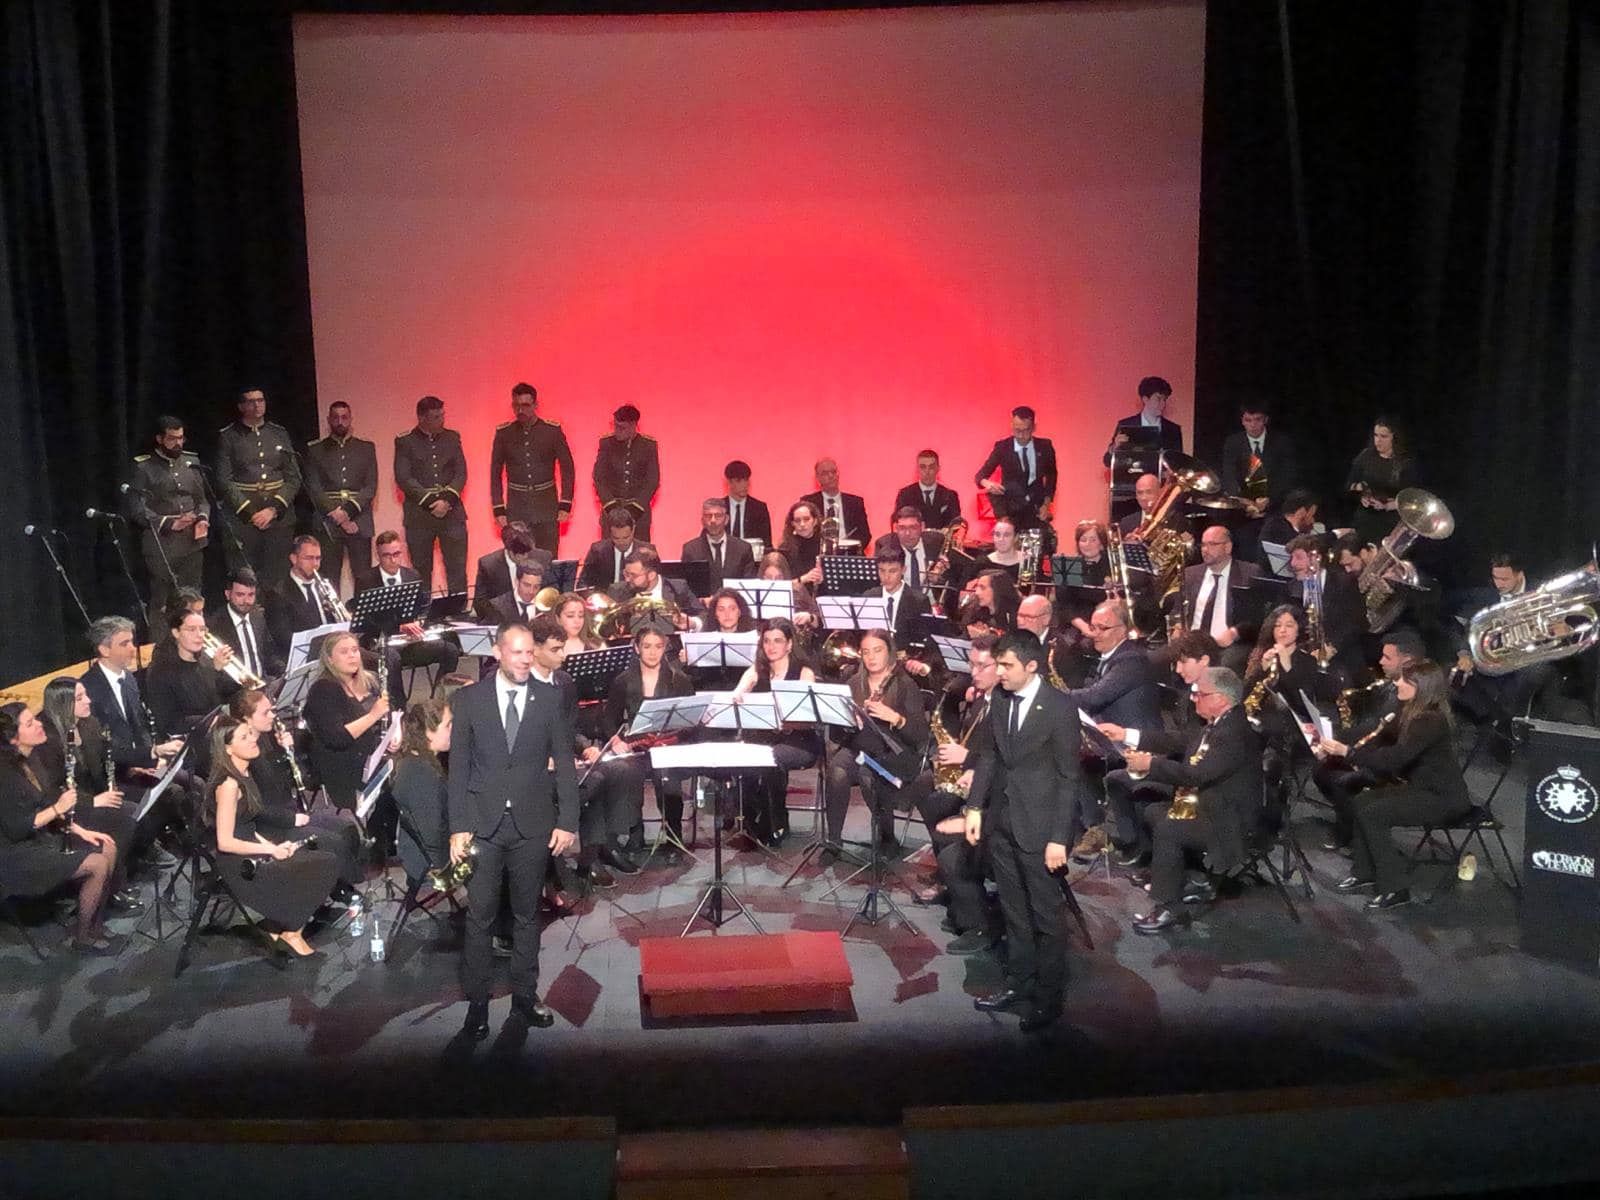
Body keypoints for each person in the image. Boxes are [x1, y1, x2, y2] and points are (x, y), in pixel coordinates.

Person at [447, 615, 580, 1038]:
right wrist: (458, 826)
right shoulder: (470, 700)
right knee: (480, 919)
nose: (525, 660)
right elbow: (458, 768)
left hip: (532, 824)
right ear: (498, 653)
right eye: (517, 653)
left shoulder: (550, 698)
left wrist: (568, 820)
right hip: (482, 825)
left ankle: (525, 996)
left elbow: (564, 763)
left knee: (527, 916)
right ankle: (478, 1005)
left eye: (528, 653)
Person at [966, 631, 1081, 1033]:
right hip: (1003, 823)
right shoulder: (1000, 698)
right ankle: (1019, 982)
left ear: (1032, 666)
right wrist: (975, 807)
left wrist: (1059, 838)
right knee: (1013, 911)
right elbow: (989, 756)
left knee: (1046, 918)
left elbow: (1068, 778)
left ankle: (1048, 999)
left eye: (1006, 665)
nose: (999, 672)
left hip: (1042, 830)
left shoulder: (1060, 709)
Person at [1110, 667, 1262, 934]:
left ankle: (1169, 907)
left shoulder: (1233, 733)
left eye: (1200, 694)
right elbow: (1176, 740)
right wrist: (1126, 734)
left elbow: (1197, 774)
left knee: (1170, 828)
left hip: (1229, 820)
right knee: (1155, 811)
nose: (1194, 698)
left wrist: (1150, 764)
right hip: (1211, 804)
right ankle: (1183, 874)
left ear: (1220, 699)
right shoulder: (1218, 722)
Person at [1316, 661, 1470, 911]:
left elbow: (1394, 759)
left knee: (1375, 814)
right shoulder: (1410, 711)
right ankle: (1365, 871)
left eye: (1404, 680)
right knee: (1361, 801)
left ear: (1421, 687)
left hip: (1443, 798)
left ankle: (1396, 887)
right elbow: (1378, 739)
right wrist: (1340, 744)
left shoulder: (1429, 720)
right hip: (1422, 789)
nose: (1397, 683)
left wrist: (1349, 753)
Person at [203, 719, 338, 958]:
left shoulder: (244, 773)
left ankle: (280, 926)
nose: (252, 739)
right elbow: (225, 841)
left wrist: (272, 846)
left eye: (250, 733)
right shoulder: (229, 785)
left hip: (254, 850)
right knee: (324, 864)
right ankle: (292, 931)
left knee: (322, 858)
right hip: (240, 865)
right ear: (228, 748)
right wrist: (270, 852)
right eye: (244, 737)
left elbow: (247, 826)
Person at [0, 705, 121, 953]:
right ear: (13, 738)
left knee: (107, 846)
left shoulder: (31, 759)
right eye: (30, 723)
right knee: (97, 864)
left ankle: (94, 925)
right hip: (15, 853)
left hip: (40, 837)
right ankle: (83, 938)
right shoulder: (4, 775)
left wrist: (80, 831)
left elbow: (46, 804)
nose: (39, 724)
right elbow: (17, 828)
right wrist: (58, 808)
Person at [909, 635, 999, 953]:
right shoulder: (983, 698)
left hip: (996, 799)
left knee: (948, 843)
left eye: (982, 666)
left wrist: (968, 760)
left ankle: (979, 925)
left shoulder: (1004, 706)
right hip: (976, 784)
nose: (973, 673)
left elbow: (1001, 758)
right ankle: (958, 893)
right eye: (971, 664)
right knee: (928, 798)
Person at [1054, 601, 1163, 861]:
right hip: (1108, 736)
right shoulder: (1109, 657)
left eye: (1103, 628)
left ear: (1123, 630)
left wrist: (1053, 695)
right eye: (1093, 627)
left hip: (1135, 742)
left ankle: (1107, 831)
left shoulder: (1131, 660)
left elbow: (1096, 696)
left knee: (1069, 757)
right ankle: (1094, 826)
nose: (1095, 634)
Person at [229, 688, 363, 896]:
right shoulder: (243, 754)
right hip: (272, 825)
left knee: (348, 829)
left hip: (290, 811)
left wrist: (287, 751)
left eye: (272, 710)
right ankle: (342, 891)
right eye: (265, 713)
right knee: (334, 842)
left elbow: (296, 780)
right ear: (246, 719)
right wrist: (291, 819)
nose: (273, 716)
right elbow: (254, 806)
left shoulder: (267, 737)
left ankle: (337, 885)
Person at [34, 679, 142, 914]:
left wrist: (145, 759)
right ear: (63, 704)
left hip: (93, 793)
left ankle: (114, 880)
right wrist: (93, 801)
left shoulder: (88, 724)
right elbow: (50, 790)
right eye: (80, 698)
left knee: (135, 807)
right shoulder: (47, 739)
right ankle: (108, 888)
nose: (89, 701)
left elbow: (109, 756)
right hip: (67, 808)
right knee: (125, 817)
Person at [1313, 629, 1422, 851]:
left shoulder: (1415, 697)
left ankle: (1354, 833)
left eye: (1388, 657)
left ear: (1407, 661)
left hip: (1396, 766)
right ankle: (1353, 823)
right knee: (1322, 770)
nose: (1380, 662)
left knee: (1342, 780)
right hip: (1374, 752)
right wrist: (1334, 740)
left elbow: (1392, 743)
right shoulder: (1391, 687)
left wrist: (1349, 752)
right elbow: (1372, 726)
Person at [592, 625, 694, 861]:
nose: (652, 652)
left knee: (666, 777)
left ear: (664, 649)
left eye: (658, 647)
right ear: (637, 648)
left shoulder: (679, 680)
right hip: (637, 746)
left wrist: (674, 739)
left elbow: (690, 721)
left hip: (668, 746)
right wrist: (615, 740)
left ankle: (674, 837)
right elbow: (609, 719)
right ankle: (634, 832)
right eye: (647, 646)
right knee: (626, 773)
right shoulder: (623, 680)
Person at [822, 629, 928, 852]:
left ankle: (887, 838)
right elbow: (837, 735)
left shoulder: (905, 685)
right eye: (866, 652)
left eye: (877, 650)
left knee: (868, 775)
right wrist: (848, 722)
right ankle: (833, 841)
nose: (871, 657)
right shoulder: (853, 683)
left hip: (894, 753)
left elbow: (920, 736)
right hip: (859, 748)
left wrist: (896, 718)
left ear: (889, 652)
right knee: (837, 771)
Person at [734, 618, 818, 846]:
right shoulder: (756, 670)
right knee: (748, 758)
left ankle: (774, 820)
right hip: (764, 739)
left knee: (771, 758)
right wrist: (739, 696)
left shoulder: (804, 673)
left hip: (799, 740)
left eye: (777, 641)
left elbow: (808, 718)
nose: (771, 646)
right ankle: (752, 823)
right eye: (767, 641)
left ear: (789, 644)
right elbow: (738, 693)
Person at [126, 414, 209, 630]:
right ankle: (160, 646)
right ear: (160, 439)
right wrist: (169, 523)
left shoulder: (192, 462)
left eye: (181, 438)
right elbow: (137, 509)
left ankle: (194, 638)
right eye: (172, 439)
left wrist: (202, 518)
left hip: (192, 543)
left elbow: (202, 500)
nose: (178, 443)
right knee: (163, 603)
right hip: (162, 545)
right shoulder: (143, 467)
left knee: (193, 599)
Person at [215, 387, 300, 590]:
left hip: (278, 519)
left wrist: (273, 509)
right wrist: (251, 513)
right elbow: (224, 479)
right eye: (251, 401)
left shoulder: (279, 433)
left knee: (277, 580)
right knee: (245, 579)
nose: (257, 405)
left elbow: (294, 477)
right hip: (243, 520)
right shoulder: (229, 436)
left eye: (261, 400)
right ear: (241, 406)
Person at [302, 631, 390, 812]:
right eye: (344, 652)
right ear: (330, 659)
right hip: (346, 768)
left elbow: (392, 710)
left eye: (355, 650)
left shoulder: (370, 680)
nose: (352, 656)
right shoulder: (323, 690)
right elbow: (337, 738)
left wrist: (395, 735)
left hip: (374, 756)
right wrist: (372, 716)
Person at [394, 394, 468, 596]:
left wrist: (447, 500)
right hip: (420, 515)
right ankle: (424, 612)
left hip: (452, 512)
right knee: (421, 571)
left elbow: (461, 473)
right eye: (436, 417)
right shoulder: (405, 441)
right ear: (421, 418)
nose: (441, 420)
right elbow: (404, 478)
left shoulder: (452, 438)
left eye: (442, 415)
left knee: (457, 569)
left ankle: (457, 609)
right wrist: (431, 502)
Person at [304, 401, 379, 594]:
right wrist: (337, 515)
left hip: (359, 519)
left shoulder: (366, 448)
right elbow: (314, 487)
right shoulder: (315, 449)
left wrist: (348, 512)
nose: (340, 422)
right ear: (328, 420)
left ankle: (363, 614)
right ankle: (333, 614)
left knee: (363, 578)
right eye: (335, 417)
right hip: (327, 521)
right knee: (329, 579)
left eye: (344, 417)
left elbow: (370, 487)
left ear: (351, 419)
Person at [490, 382, 575, 553]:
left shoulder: (551, 431)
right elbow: (495, 472)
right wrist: (498, 508)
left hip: (547, 506)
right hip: (517, 506)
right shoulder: (504, 433)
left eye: (526, 405)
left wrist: (565, 503)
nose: (520, 410)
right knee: (518, 557)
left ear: (536, 405)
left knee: (548, 557)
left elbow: (567, 468)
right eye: (516, 406)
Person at [370, 531, 462, 681]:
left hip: (411, 642)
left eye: (397, 554)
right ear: (377, 555)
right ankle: (397, 697)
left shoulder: (412, 575)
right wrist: (400, 627)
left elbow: (423, 607)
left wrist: (420, 621)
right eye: (387, 555)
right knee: (391, 659)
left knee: (450, 650)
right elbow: (368, 621)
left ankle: (441, 691)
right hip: (384, 643)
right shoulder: (366, 580)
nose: (393, 560)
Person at [1177, 526, 1263, 675]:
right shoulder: (1190, 574)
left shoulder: (1249, 573)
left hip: (1228, 644)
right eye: (1203, 545)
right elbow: (1178, 609)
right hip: (1192, 642)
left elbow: (1257, 615)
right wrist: (1177, 626)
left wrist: (1235, 632)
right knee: (1157, 659)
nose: (1205, 550)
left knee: (1224, 666)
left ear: (1228, 547)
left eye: (1212, 544)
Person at [391, 697, 453, 888]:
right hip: (430, 863)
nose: (453, 729)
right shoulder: (422, 775)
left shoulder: (413, 759)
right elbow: (434, 835)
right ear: (429, 732)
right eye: (448, 725)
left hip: (423, 849)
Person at [145, 608, 229, 737]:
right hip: (186, 738)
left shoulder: (206, 660)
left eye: (202, 629)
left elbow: (217, 700)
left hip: (215, 732)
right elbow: (169, 721)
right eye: (191, 629)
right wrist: (210, 721)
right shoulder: (160, 671)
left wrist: (217, 670)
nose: (199, 635)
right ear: (176, 632)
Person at [1287, 533, 1365, 670]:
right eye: (1292, 558)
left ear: (1316, 558)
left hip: (1343, 658)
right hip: (1307, 658)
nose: (1293, 563)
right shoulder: (1292, 587)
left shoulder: (1343, 583)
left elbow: (1357, 623)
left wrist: (1332, 648)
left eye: (1298, 557)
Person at [976, 406, 1058, 534]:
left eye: (1026, 430)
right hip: (1010, 510)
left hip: (1036, 509)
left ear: (1034, 427)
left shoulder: (1045, 446)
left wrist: (1047, 504)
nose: (1020, 435)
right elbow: (980, 475)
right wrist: (988, 483)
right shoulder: (1003, 447)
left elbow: (1051, 476)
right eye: (1017, 430)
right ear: (1012, 425)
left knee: (1041, 541)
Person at [1345, 416, 1417, 548]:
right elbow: (1349, 484)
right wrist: (1361, 495)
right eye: (1376, 435)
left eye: (1383, 436)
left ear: (1394, 437)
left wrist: (1387, 506)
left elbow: (1410, 501)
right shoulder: (1366, 456)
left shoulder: (1404, 464)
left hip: (1389, 523)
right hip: (1364, 519)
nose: (1378, 441)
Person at [1220, 400, 1300, 517]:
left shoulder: (1281, 442)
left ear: (1265, 420)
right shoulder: (1233, 442)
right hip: (1242, 504)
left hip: (1275, 503)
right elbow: (1228, 473)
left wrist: (1270, 499)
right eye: (1248, 420)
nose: (1253, 425)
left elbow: (1287, 475)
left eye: (1257, 420)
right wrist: (1240, 499)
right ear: (1242, 421)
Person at [593, 404, 660, 543]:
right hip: (612, 510)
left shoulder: (648, 446)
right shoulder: (607, 444)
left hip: (639, 513)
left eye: (622, 428)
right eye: (615, 426)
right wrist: (610, 506)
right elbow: (599, 477)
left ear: (634, 425)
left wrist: (637, 507)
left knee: (640, 552)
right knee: (608, 552)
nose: (617, 431)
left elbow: (652, 480)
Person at [207, 568, 281, 682]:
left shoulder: (257, 617)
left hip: (264, 682)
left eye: (251, 595)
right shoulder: (215, 625)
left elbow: (269, 654)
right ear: (228, 594)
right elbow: (214, 673)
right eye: (240, 595)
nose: (246, 601)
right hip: (235, 689)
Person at [609, 548, 704, 631]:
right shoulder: (617, 591)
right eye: (626, 574)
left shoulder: (678, 588)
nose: (627, 579)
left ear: (651, 575)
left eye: (633, 575)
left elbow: (703, 615)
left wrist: (692, 623)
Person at [473, 520, 554, 616]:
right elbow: (480, 603)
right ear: (509, 550)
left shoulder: (543, 557)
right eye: (521, 554)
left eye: (527, 552)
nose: (525, 556)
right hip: (503, 619)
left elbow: (551, 593)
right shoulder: (489, 565)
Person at [681, 497, 757, 594]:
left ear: (726, 519)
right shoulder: (691, 550)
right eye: (708, 516)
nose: (713, 520)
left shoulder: (743, 549)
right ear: (702, 521)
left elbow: (749, 585)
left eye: (718, 516)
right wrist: (702, 599)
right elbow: (685, 588)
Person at [872, 506, 950, 597]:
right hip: (900, 600)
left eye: (913, 527)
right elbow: (878, 581)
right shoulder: (884, 545)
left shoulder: (937, 542)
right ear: (896, 528)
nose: (907, 533)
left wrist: (939, 578)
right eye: (902, 528)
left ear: (922, 526)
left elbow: (952, 576)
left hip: (931, 601)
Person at [1104, 376, 1185, 461]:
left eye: (1164, 399)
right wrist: (1114, 448)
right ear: (1145, 399)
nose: (1163, 404)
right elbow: (1107, 461)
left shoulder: (1173, 430)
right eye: (1158, 399)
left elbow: (1178, 462)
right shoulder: (1126, 425)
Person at [578, 506, 652, 591]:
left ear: (633, 530)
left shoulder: (647, 551)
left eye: (626, 537)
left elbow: (656, 583)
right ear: (610, 533)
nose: (621, 542)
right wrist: (597, 596)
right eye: (616, 538)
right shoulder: (598, 551)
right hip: (606, 596)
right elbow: (583, 584)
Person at [865, 546, 930, 641]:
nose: (886, 577)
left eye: (892, 571)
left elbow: (924, 639)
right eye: (882, 570)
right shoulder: (869, 597)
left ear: (903, 570)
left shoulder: (919, 601)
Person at [802, 458, 871, 547]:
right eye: (825, 473)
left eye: (833, 472)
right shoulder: (808, 503)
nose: (831, 476)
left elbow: (865, 535)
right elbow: (804, 534)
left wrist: (849, 548)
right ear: (817, 478)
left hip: (849, 551)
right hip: (818, 552)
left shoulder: (855, 503)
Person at [757, 552, 822, 639]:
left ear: (785, 576)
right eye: (769, 577)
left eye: (778, 577)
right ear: (762, 576)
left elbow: (819, 621)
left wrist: (809, 617)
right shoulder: (755, 594)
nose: (773, 582)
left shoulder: (797, 590)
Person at [894, 449, 962, 530]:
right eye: (923, 467)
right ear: (917, 469)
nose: (927, 471)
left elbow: (956, 524)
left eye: (931, 467)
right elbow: (898, 521)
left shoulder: (950, 496)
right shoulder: (905, 495)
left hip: (942, 538)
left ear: (938, 468)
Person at [1259, 487, 1322, 559]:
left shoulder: (1278, 524)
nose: (1313, 521)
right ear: (1302, 511)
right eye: (1312, 515)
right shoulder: (1275, 528)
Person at [487, 559, 553, 626]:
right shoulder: (497, 606)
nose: (531, 591)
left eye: (536, 587)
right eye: (527, 585)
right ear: (516, 582)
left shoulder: (547, 607)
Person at [723, 459, 772, 547]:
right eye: (738, 481)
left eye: (746, 480)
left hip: (752, 554)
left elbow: (767, 542)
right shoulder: (719, 508)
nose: (744, 485)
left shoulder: (759, 508)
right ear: (729, 482)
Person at [777, 500, 826, 585]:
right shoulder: (785, 548)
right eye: (797, 520)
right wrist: (804, 579)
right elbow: (780, 585)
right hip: (796, 592)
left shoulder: (826, 545)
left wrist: (825, 577)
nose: (802, 524)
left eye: (806, 519)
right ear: (793, 524)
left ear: (815, 521)